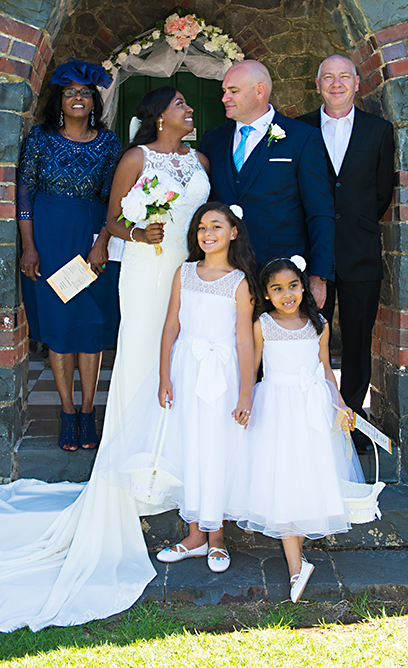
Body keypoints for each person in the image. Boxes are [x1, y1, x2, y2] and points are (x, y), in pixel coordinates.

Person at [0, 86, 212, 632]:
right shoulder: (134, 156)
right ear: (159, 116)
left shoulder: (202, 159)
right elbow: (112, 220)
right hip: (146, 270)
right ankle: (131, 456)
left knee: (186, 360)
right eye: (181, 103)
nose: (190, 111)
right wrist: (139, 230)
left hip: (192, 272)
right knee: (139, 358)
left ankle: (179, 457)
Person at [228, 256, 362, 603]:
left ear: (303, 287)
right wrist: (245, 399)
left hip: (311, 408)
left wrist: (341, 403)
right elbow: (253, 366)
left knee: (305, 477)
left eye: (293, 286)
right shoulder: (263, 324)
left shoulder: (318, 324)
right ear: (267, 294)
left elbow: (327, 370)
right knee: (282, 478)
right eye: (277, 289)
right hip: (275, 407)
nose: (287, 294)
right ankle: (295, 566)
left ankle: (297, 563)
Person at [18, 59, 121, 452]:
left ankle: (88, 412)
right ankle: (66, 412)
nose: (77, 98)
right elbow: (25, 194)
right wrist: (29, 246)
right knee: (60, 330)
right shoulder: (40, 139)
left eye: (84, 93)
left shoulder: (109, 143)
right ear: (59, 102)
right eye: (69, 93)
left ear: (94, 101)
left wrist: (102, 243)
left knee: (90, 329)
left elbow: (116, 198)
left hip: (93, 235)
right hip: (48, 236)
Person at [151, 203, 257, 574]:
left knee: (218, 446)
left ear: (233, 233)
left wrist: (246, 392)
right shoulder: (185, 272)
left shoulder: (241, 282)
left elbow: (245, 341)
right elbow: (170, 327)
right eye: (200, 227)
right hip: (186, 367)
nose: (206, 233)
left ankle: (216, 537)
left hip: (223, 372)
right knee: (190, 444)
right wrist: (165, 375)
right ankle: (194, 535)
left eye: (216, 226)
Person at [299, 54, 396, 451]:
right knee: (305, 336)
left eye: (344, 77)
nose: (336, 84)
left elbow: (381, 192)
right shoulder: (299, 128)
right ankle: (307, 416)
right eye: (328, 78)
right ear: (318, 84)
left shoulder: (378, 130)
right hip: (311, 252)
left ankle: (350, 420)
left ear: (357, 84)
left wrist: (355, 224)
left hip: (360, 251)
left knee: (357, 340)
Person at [200, 59, 335, 302]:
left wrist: (318, 275)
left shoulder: (302, 138)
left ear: (259, 91)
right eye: (224, 91)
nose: (224, 98)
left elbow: (320, 210)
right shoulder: (213, 140)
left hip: (280, 270)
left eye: (233, 91)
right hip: (222, 267)